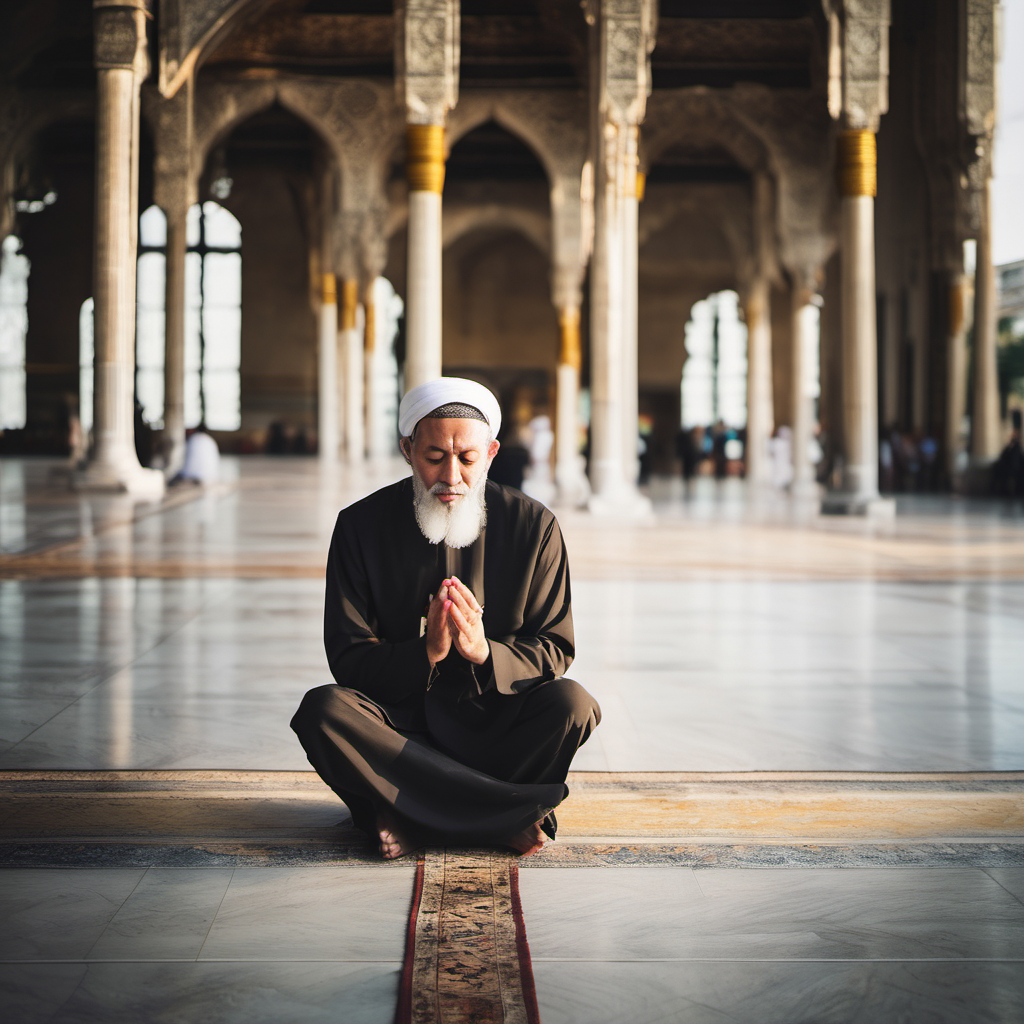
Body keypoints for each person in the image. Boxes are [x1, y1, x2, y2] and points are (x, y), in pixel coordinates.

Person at [291, 377, 600, 860]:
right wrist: (426, 653)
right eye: (434, 457)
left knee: (572, 704)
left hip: (497, 719)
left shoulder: (534, 526)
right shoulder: (360, 526)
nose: (451, 476)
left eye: (467, 459)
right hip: (400, 726)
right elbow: (349, 656)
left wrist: (485, 653)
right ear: (408, 450)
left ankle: (405, 814)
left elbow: (555, 646)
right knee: (323, 711)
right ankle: (504, 817)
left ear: (491, 453)